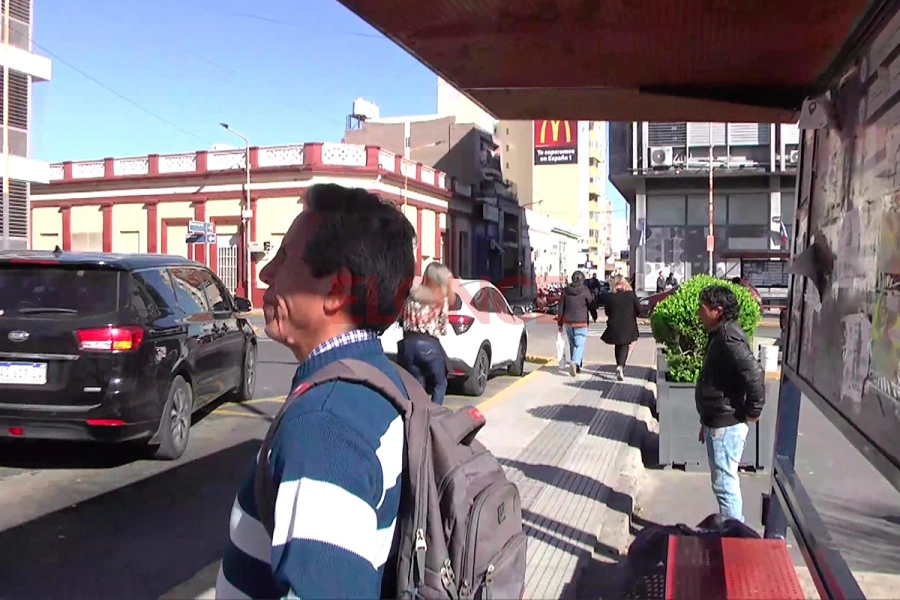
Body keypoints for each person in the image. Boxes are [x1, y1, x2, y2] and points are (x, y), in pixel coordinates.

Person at [216, 184, 416, 599]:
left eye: (285, 256)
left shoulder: (326, 426)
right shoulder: (375, 379)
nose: (265, 273)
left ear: (337, 290)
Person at [696, 284, 765, 523]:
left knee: (725, 485)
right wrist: (706, 420)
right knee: (723, 482)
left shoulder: (728, 336)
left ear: (717, 310)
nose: (698, 313)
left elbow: (754, 373)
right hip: (719, 421)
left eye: (702, 308)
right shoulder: (721, 334)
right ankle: (733, 534)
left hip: (726, 424)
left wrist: (753, 411)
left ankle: (734, 538)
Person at [397, 261, 454, 405]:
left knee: (417, 387)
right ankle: (432, 418)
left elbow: (401, 318)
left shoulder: (411, 294)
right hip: (428, 345)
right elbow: (442, 329)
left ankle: (415, 418)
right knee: (440, 384)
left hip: (407, 346)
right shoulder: (440, 300)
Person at [600, 275, 641, 381]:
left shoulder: (610, 296)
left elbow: (607, 311)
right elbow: (639, 309)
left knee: (618, 345)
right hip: (628, 324)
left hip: (615, 324)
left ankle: (619, 364)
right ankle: (620, 366)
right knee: (625, 345)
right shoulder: (631, 295)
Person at [557, 270, 593, 377]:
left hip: (568, 321)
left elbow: (561, 307)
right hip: (581, 321)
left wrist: (559, 323)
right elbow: (591, 304)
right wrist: (594, 315)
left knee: (573, 344)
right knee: (579, 344)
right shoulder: (585, 290)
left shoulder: (566, 290)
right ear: (582, 280)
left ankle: (576, 366)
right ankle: (575, 362)